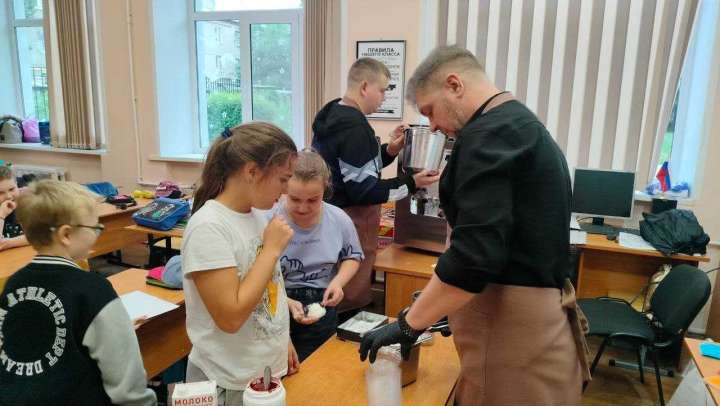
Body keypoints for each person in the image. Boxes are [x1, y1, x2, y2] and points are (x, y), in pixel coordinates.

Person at [359, 46, 590, 406]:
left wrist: (408, 323)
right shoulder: (521, 126)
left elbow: (473, 257)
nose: (433, 126)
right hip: (535, 324)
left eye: (430, 111)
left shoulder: (488, 136)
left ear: (454, 85)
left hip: (512, 332)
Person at [0, 180, 156, 405]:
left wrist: (103, 328)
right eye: (95, 228)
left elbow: (33, 334)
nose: (98, 233)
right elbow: (128, 389)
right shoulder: (93, 289)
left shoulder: (14, 283)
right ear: (66, 234)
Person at [181, 122, 298, 405]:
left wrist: (282, 340)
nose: (285, 190)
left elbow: (269, 288)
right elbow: (230, 317)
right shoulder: (208, 227)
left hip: (262, 370)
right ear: (252, 172)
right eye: (283, 179)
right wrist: (271, 250)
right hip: (227, 380)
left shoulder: (257, 215)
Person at [312, 57, 440, 311]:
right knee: (348, 294)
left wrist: (390, 150)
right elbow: (364, 191)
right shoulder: (354, 128)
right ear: (364, 87)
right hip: (351, 221)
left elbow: (356, 169)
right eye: (382, 90)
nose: (384, 98)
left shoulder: (334, 114)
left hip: (329, 215)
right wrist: (412, 182)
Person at [274, 150, 364, 361]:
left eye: (313, 200)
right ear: (283, 188)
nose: (303, 208)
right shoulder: (270, 217)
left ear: (325, 189)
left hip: (321, 304)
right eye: (294, 199)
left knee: (317, 365)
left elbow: (353, 256)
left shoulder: (338, 219)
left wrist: (338, 283)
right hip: (277, 301)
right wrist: (284, 301)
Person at [0, 165, 29, 251]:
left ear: (16, 184)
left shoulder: (26, 201)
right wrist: (1, 215)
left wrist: (7, 243)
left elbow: (41, 235)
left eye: (12, 189)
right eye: (0, 193)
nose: (8, 196)